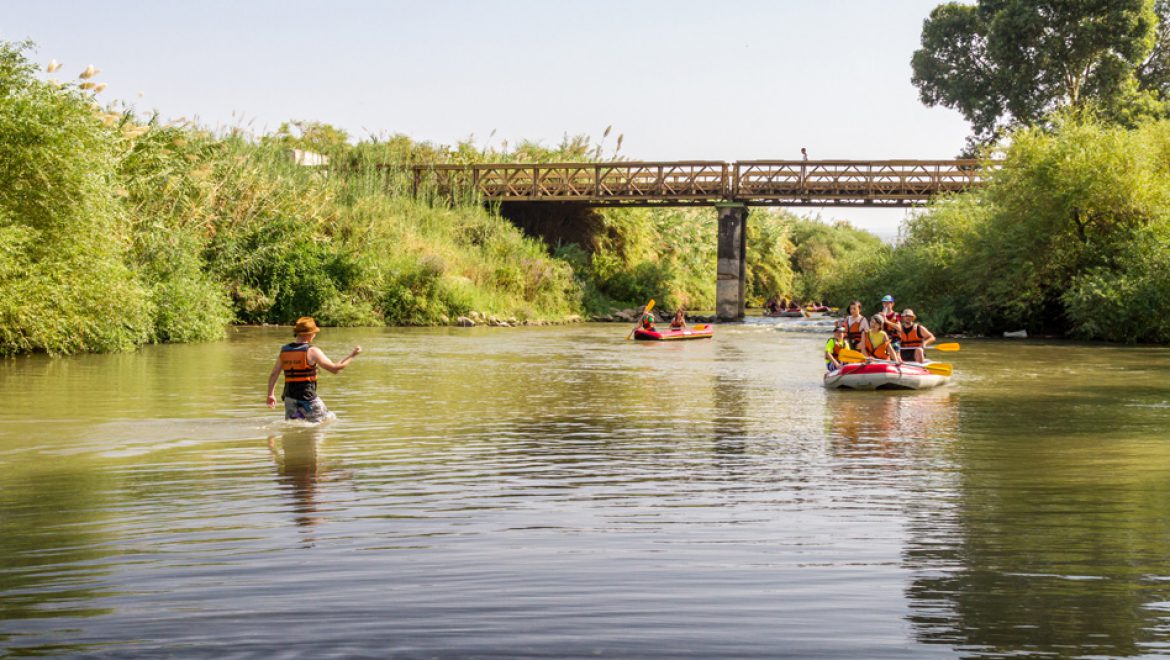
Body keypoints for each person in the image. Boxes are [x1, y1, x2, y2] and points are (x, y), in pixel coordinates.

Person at [267, 316, 362, 423]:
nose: (315, 335)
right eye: (314, 332)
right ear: (309, 334)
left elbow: (274, 374)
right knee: (328, 420)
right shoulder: (312, 351)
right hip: (308, 400)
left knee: (294, 429)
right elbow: (335, 369)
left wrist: (271, 395)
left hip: (290, 399)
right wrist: (353, 355)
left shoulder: (284, 351)